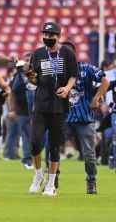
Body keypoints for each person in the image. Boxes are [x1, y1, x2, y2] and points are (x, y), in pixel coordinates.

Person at [26, 22, 78, 196]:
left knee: (54, 146)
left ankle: (51, 184)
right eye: (45, 34)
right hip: (40, 104)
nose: (47, 37)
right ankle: (38, 175)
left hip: (59, 106)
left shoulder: (67, 53)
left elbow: (73, 75)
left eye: (51, 35)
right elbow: (35, 80)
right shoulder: (38, 54)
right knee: (35, 143)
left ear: (58, 36)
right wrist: (31, 77)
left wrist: (67, 88)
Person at [64, 41, 109, 194]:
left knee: (89, 154)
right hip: (63, 118)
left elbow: (105, 81)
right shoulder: (56, 72)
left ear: (74, 55)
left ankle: (91, 181)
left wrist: (96, 98)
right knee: (53, 150)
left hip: (84, 118)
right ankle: (52, 182)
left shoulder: (86, 68)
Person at [5, 60, 33, 170]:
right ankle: (25, 158)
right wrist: (12, 110)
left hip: (27, 111)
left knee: (25, 135)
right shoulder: (18, 78)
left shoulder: (20, 78)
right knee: (24, 135)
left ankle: (24, 156)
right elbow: (12, 94)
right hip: (22, 111)